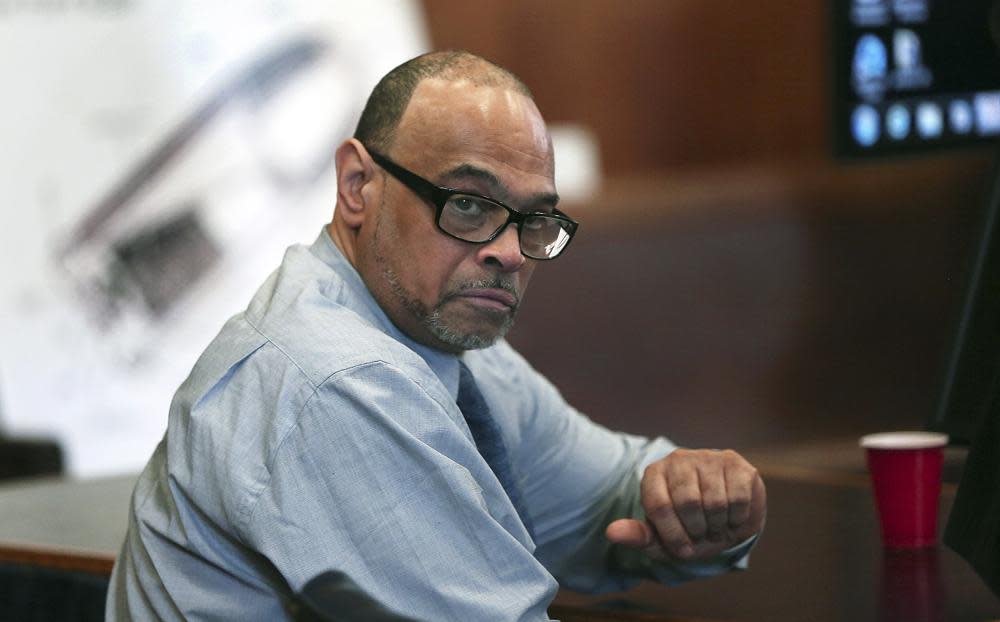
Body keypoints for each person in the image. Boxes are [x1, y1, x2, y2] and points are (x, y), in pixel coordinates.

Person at [106, 50, 766, 621]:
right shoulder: (335, 382)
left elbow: (607, 499)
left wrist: (701, 498)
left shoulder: (439, 339)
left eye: (534, 218)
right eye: (471, 205)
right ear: (357, 185)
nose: (510, 253)